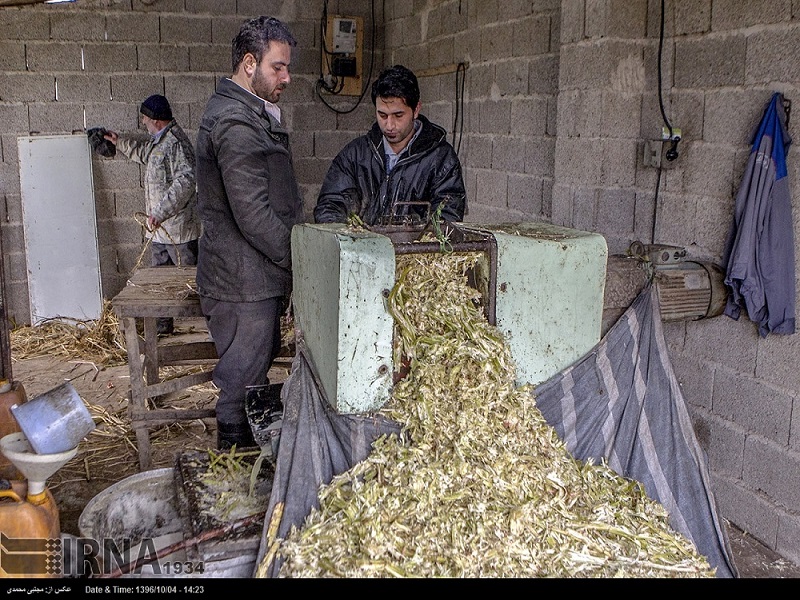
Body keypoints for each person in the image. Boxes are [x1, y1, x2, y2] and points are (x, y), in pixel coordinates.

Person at [195, 16, 304, 450]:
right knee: (240, 385)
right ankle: (233, 470)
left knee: (250, 377)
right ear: (248, 63)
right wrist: (299, 258)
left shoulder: (246, 113)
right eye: (277, 67)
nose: (287, 77)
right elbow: (253, 214)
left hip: (252, 277)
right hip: (243, 283)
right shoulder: (236, 123)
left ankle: (241, 468)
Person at [314, 64, 467, 227]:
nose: (389, 125)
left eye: (398, 115)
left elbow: (447, 219)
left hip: (413, 251)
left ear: (416, 110)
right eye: (382, 115)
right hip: (361, 250)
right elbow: (329, 207)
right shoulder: (355, 155)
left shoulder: (441, 159)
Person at [103, 94, 201, 335]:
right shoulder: (160, 141)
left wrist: (159, 212)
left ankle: (212, 330)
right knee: (159, 283)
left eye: (145, 119)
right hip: (159, 231)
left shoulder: (176, 143)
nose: (143, 123)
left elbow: (186, 181)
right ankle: (162, 326)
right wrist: (119, 142)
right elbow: (145, 153)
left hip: (178, 231)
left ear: (156, 120)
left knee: (191, 282)